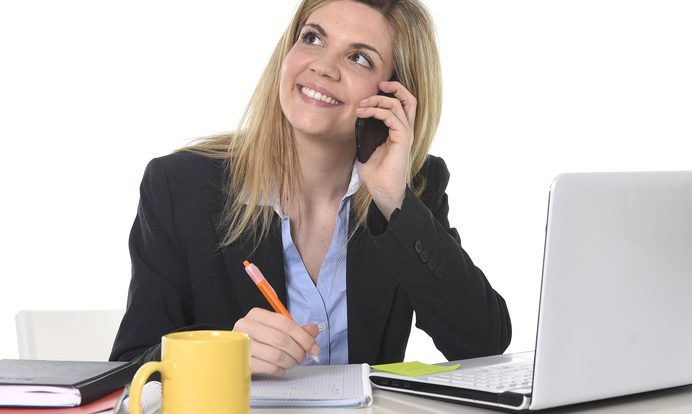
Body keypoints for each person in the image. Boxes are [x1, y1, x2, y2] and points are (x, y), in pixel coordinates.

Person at [110, 0, 511, 375]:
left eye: (359, 58)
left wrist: (394, 202)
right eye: (313, 38)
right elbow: (129, 371)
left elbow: (483, 345)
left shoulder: (412, 190)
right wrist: (221, 353)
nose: (323, 67)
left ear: (393, 96)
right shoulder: (180, 187)